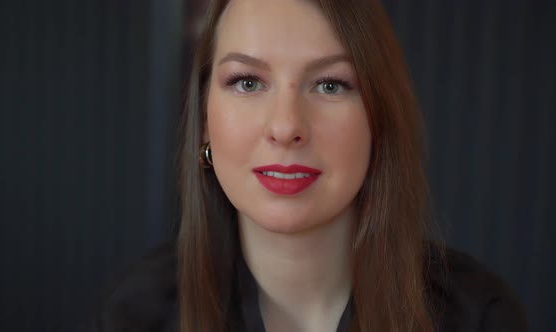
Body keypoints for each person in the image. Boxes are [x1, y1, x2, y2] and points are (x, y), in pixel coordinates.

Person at [84, 0, 528, 331]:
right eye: (247, 81)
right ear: (203, 120)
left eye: (330, 84)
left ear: (379, 118)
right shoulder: (133, 315)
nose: (285, 126)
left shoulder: (480, 316)